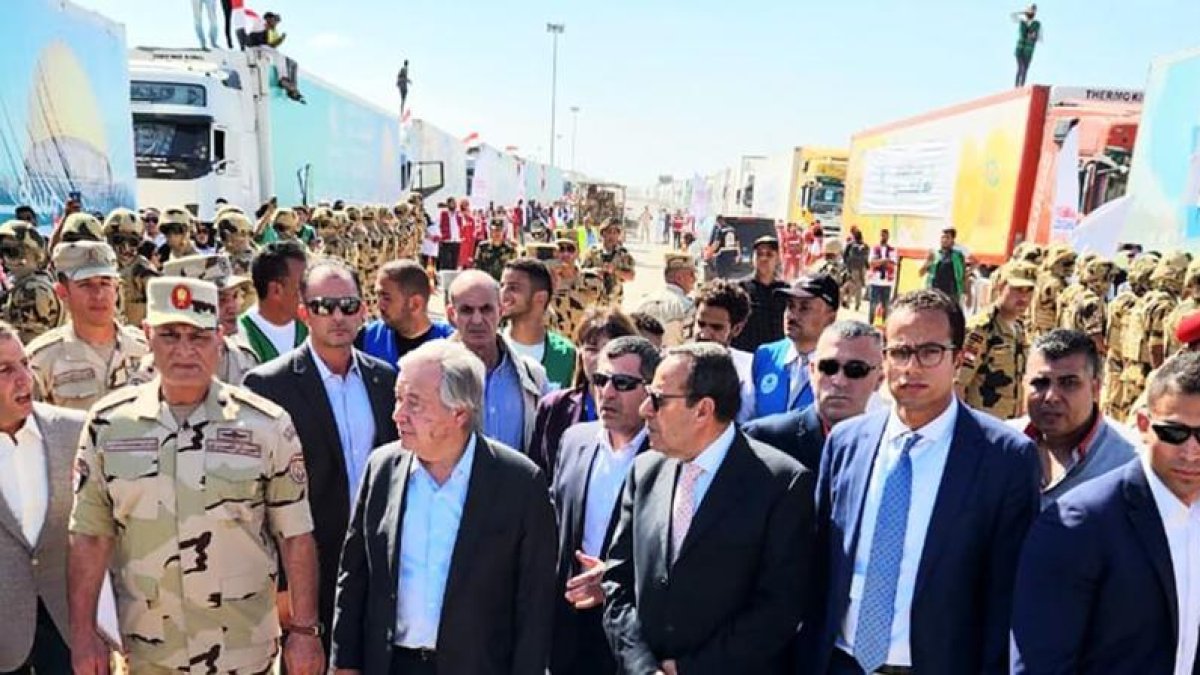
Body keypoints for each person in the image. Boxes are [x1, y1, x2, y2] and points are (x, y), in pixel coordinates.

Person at [68, 277, 324, 674]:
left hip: (242, 651)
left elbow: (296, 535)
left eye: (198, 336)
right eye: (170, 335)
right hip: (149, 652)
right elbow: (90, 535)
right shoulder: (108, 425)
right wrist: (83, 632)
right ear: (148, 335)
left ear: (219, 337)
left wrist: (305, 631)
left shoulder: (265, 426)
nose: (185, 351)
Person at [800, 289, 1041, 674]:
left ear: (959, 358)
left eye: (930, 352)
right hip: (839, 662)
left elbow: (1007, 593)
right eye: (899, 352)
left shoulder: (1005, 457)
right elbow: (818, 568)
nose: (911, 368)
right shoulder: (847, 443)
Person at [329, 340, 556, 674]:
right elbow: (354, 574)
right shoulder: (382, 468)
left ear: (459, 412)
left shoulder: (519, 484)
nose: (398, 415)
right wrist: (344, 662)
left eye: (414, 403)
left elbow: (534, 605)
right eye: (398, 398)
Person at [602, 343, 814, 672]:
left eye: (658, 399)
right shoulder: (646, 470)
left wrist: (689, 670)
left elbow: (778, 609)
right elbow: (617, 581)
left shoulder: (780, 483)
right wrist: (643, 667)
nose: (645, 409)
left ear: (703, 410)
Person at [242, 258, 398, 658]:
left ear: (363, 310)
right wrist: (282, 589)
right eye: (323, 306)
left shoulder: (386, 381)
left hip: (379, 565)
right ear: (303, 312)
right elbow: (256, 494)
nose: (337, 316)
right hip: (308, 567)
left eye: (347, 305)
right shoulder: (268, 384)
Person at [1011, 351, 1200, 673]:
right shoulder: (1079, 524)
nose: (1191, 452)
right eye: (1174, 433)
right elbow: (1041, 663)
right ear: (1143, 425)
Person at [549, 337, 658, 675]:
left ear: (651, 390)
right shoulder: (574, 440)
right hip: (569, 629)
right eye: (600, 379)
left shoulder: (669, 456)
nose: (607, 393)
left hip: (635, 630)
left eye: (623, 383)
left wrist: (612, 580)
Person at [0, 323, 85, 673]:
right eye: (5, 370)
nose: (24, 379)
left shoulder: (75, 432)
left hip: (70, 634)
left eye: (25, 363)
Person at [1007, 329, 1137, 507]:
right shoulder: (999, 446)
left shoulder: (1131, 462)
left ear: (1095, 389)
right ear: (1023, 384)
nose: (1051, 396)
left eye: (1068, 383)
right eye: (1040, 383)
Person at [744, 320, 884, 470]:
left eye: (856, 369)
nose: (839, 381)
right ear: (812, 371)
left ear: (879, 379)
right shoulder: (762, 439)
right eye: (828, 367)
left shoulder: (887, 449)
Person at [27, 242, 148, 411]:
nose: (98, 295)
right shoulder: (42, 359)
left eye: (105, 283)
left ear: (117, 288)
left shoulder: (145, 348)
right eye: (85, 284)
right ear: (62, 292)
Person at [446, 270, 548, 453]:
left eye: (486, 309)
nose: (477, 320)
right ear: (451, 314)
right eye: (467, 310)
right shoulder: (432, 374)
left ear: (501, 310)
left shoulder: (532, 376)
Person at [528, 309, 637, 478]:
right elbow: (538, 476)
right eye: (592, 350)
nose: (601, 358)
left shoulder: (640, 409)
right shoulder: (554, 408)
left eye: (610, 349)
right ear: (580, 354)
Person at [135, 254, 261, 385]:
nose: (232, 307)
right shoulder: (152, 373)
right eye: (220, 299)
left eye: (235, 296)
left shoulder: (243, 358)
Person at [751, 273, 840, 419]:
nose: (792, 316)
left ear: (830, 318)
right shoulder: (765, 355)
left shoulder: (843, 368)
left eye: (804, 308)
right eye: (790, 306)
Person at [955, 261, 1037, 420]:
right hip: (981, 424)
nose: (1024, 297)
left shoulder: (1019, 329)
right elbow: (959, 382)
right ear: (1000, 287)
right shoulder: (982, 329)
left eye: (1029, 291)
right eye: (1017, 290)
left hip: (1008, 425)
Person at [356, 260, 454, 367]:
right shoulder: (367, 338)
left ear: (415, 304)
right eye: (378, 296)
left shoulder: (451, 344)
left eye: (386, 298)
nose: (379, 305)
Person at [501, 258, 577, 389]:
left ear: (540, 298)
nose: (503, 294)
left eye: (513, 288)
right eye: (502, 286)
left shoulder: (566, 356)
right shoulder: (490, 349)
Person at [690, 278, 756, 424]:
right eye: (701, 324)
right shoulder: (672, 366)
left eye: (716, 327)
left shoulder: (750, 371)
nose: (704, 334)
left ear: (736, 329)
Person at [239, 240, 309, 363]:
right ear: (276, 290)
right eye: (302, 286)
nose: (309, 293)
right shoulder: (241, 336)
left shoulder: (310, 326)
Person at [0, 220, 62, 345]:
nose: (4, 258)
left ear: (32, 253)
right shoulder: (21, 283)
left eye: (11, 251)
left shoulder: (32, 289)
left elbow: (28, 343)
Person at [731, 236, 788, 353]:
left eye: (769, 254)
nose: (764, 258)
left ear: (777, 259)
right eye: (759, 254)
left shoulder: (785, 291)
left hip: (776, 355)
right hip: (746, 353)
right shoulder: (740, 289)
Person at [103, 208, 159, 327]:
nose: (126, 248)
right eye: (118, 240)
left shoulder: (143, 270)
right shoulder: (100, 267)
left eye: (133, 242)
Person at [633, 253, 696, 348]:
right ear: (679, 278)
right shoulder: (687, 306)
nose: (695, 279)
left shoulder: (643, 301)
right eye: (691, 274)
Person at [1059, 256, 1116, 357]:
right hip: (1084, 353)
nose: (1110, 284)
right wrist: (1106, 352)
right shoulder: (1092, 302)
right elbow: (1094, 334)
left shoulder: (1077, 294)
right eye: (1109, 278)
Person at [580, 219, 636, 306]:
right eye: (609, 232)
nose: (612, 236)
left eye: (615, 233)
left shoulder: (623, 254)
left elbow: (631, 276)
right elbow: (580, 272)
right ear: (603, 233)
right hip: (593, 301)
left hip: (614, 302)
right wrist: (593, 271)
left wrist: (615, 271)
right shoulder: (592, 252)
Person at [918, 227, 967, 303]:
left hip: (952, 294)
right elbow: (920, 273)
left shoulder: (958, 256)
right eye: (942, 237)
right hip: (934, 293)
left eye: (947, 237)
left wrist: (965, 291)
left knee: (952, 314)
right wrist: (928, 262)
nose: (944, 240)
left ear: (952, 240)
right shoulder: (933, 254)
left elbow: (963, 275)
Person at [867, 228, 898, 325]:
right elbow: (872, 263)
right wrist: (885, 261)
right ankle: (870, 324)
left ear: (888, 237)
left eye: (885, 235)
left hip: (887, 282)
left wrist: (880, 262)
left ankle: (886, 325)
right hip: (875, 281)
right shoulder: (874, 248)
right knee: (873, 305)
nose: (883, 237)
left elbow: (892, 264)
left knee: (886, 305)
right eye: (881, 235)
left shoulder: (892, 250)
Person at [472, 217, 518, 281]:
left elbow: (514, 270)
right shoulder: (482, 247)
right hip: (486, 283)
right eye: (494, 230)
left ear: (503, 232)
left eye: (499, 230)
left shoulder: (510, 249)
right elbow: (477, 267)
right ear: (490, 231)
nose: (497, 233)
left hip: (503, 284)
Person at [1012, 4, 1042, 87]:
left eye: (1033, 10)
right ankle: (1016, 86)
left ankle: (1021, 86)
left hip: (1029, 50)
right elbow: (1013, 16)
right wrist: (1022, 12)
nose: (1032, 12)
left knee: (1025, 69)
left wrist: (1034, 36)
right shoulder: (1022, 22)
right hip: (1020, 49)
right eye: (1030, 10)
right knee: (1020, 68)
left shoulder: (1037, 24)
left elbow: (1039, 38)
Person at [436, 197, 462, 272]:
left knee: (454, 263)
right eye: (451, 203)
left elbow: (460, 225)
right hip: (446, 241)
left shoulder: (458, 214)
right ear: (448, 204)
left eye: (454, 203)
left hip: (456, 241)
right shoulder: (443, 213)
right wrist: (440, 236)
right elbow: (438, 225)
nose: (453, 205)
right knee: (446, 263)